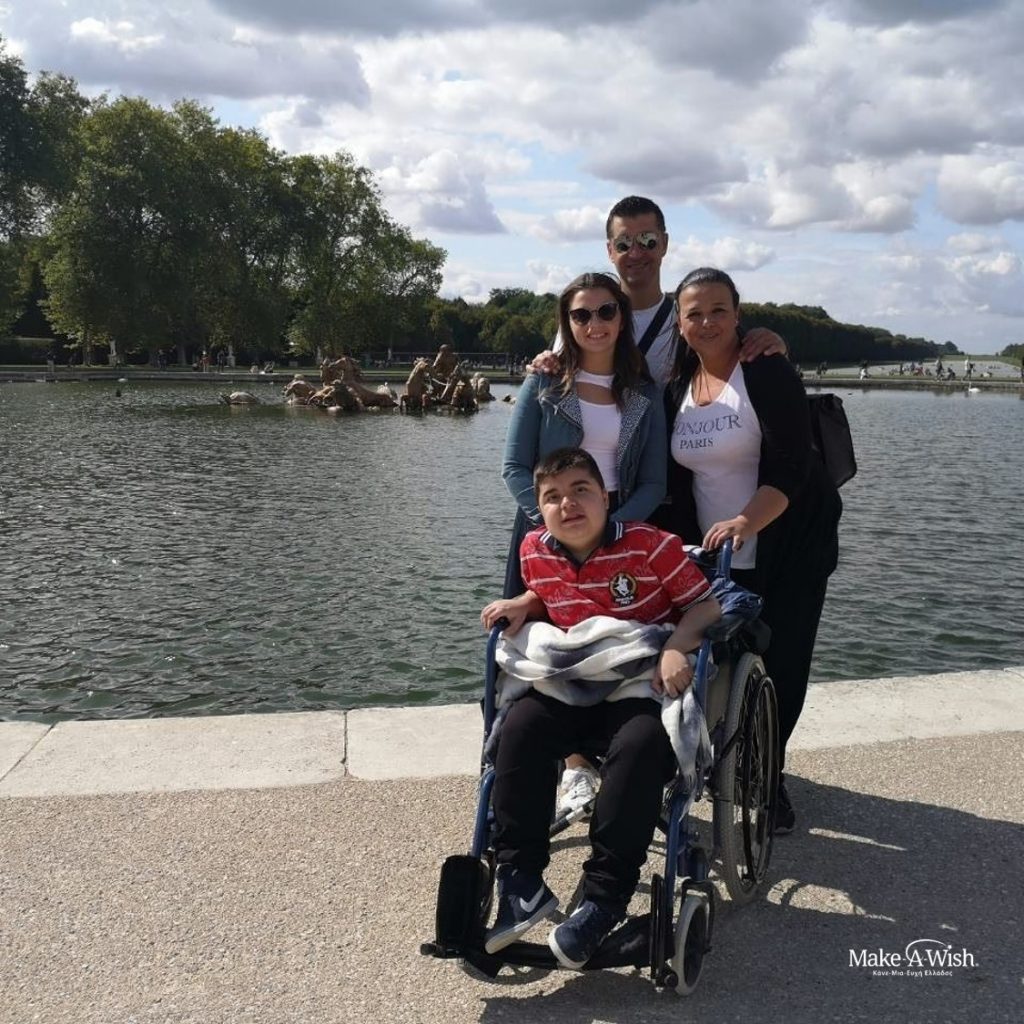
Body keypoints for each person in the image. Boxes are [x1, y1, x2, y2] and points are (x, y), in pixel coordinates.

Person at [528, 196, 786, 813]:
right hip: (570, 509)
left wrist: (769, 338)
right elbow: (550, 390)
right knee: (565, 628)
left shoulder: (686, 314)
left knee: (647, 633)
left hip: (651, 503)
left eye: (648, 241)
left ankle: (658, 753)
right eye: (624, 242)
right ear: (609, 249)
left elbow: (723, 338)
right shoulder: (590, 309)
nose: (636, 253)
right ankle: (574, 765)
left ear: (665, 244)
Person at [479, 447, 721, 968]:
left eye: (580, 490)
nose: (567, 504)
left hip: (637, 683)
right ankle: (520, 880)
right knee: (519, 729)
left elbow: (706, 605)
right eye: (552, 497)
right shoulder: (533, 550)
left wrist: (676, 646)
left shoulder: (652, 546)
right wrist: (524, 603)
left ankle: (604, 898)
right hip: (574, 682)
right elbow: (550, 595)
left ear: (605, 498)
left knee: (639, 748)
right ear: (539, 509)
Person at [656, 267, 841, 834]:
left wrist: (746, 519)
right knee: (718, 664)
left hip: (786, 546)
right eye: (694, 313)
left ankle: (768, 778)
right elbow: (677, 481)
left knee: (780, 666)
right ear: (680, 325)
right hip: (715, 555)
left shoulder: (764, 369)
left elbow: (792, 464)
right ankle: (714, 760)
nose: (707, 322)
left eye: (719, 310)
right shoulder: (678, 386)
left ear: (738, 314)